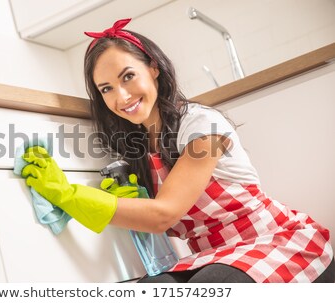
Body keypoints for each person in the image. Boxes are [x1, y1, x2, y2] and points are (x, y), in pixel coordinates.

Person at [21, 18, 334, 283]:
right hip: (210, 256)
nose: (122, 96)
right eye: (106, 89)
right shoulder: (139, 148)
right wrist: (132, 205)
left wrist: (69, 195)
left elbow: (164, 214)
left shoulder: (202, 126)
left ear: (153, 68)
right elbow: (175, 222)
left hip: (276, 243)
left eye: (128, 76)